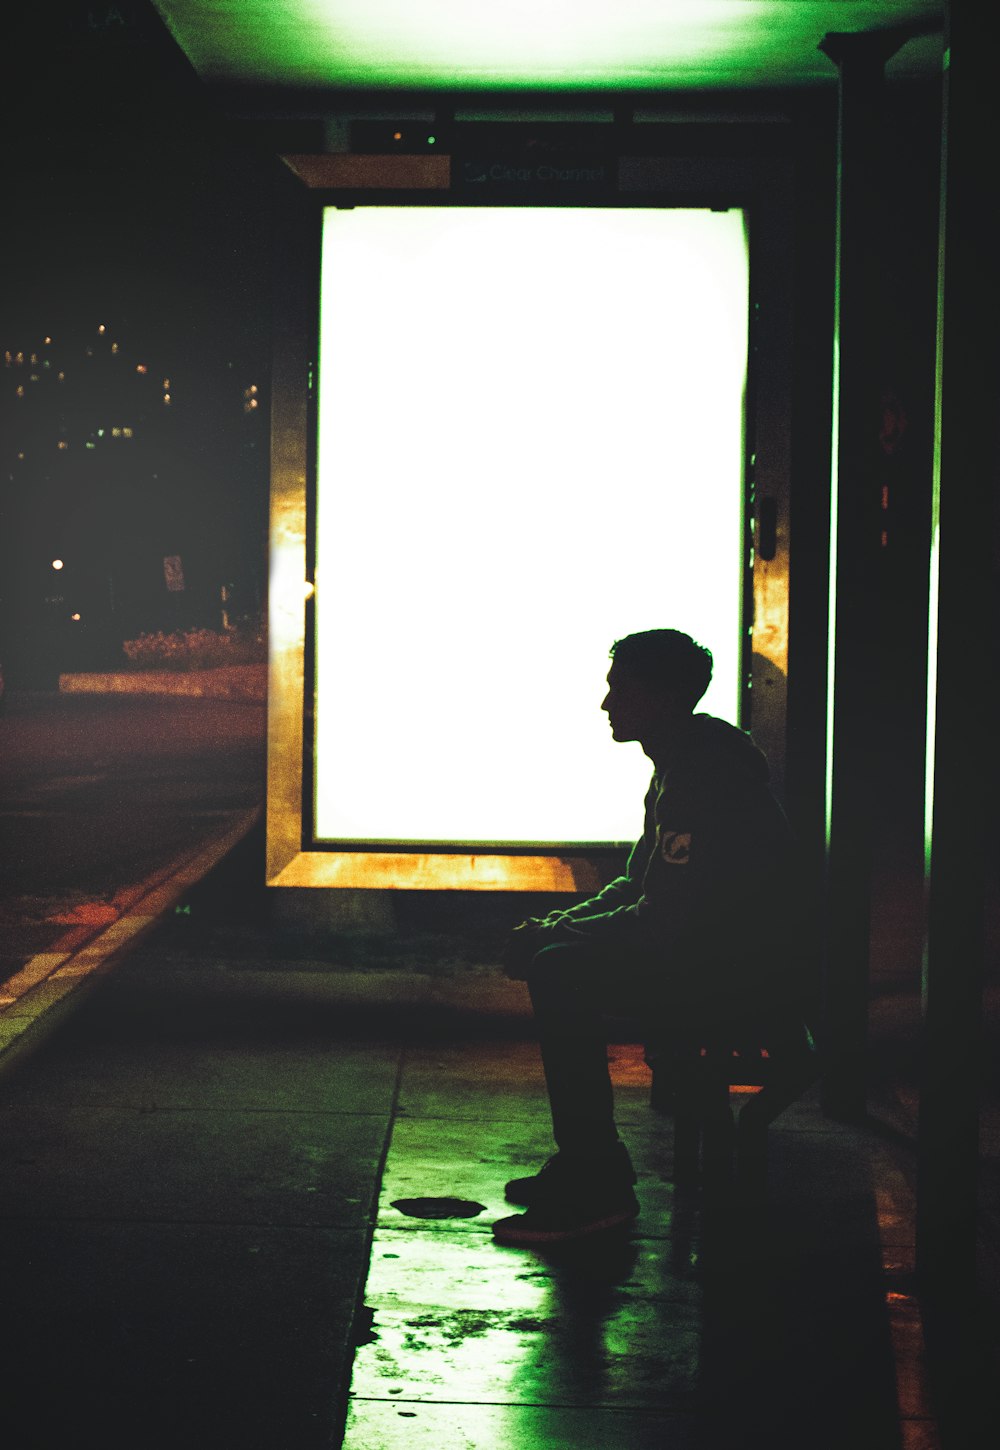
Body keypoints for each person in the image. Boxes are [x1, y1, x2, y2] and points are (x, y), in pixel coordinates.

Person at [492, 628, 812, 1247]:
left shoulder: (700, 778)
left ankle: (598, 1183)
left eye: (620, 689)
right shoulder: (684, 762)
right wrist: (556, 926)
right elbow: (640, 882)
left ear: (662, 698)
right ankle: (587, 1162)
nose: (607, 704)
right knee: (556, 956)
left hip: (741, 974)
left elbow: (663, 918)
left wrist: (555, 941)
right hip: (722, 956)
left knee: (559, 972)